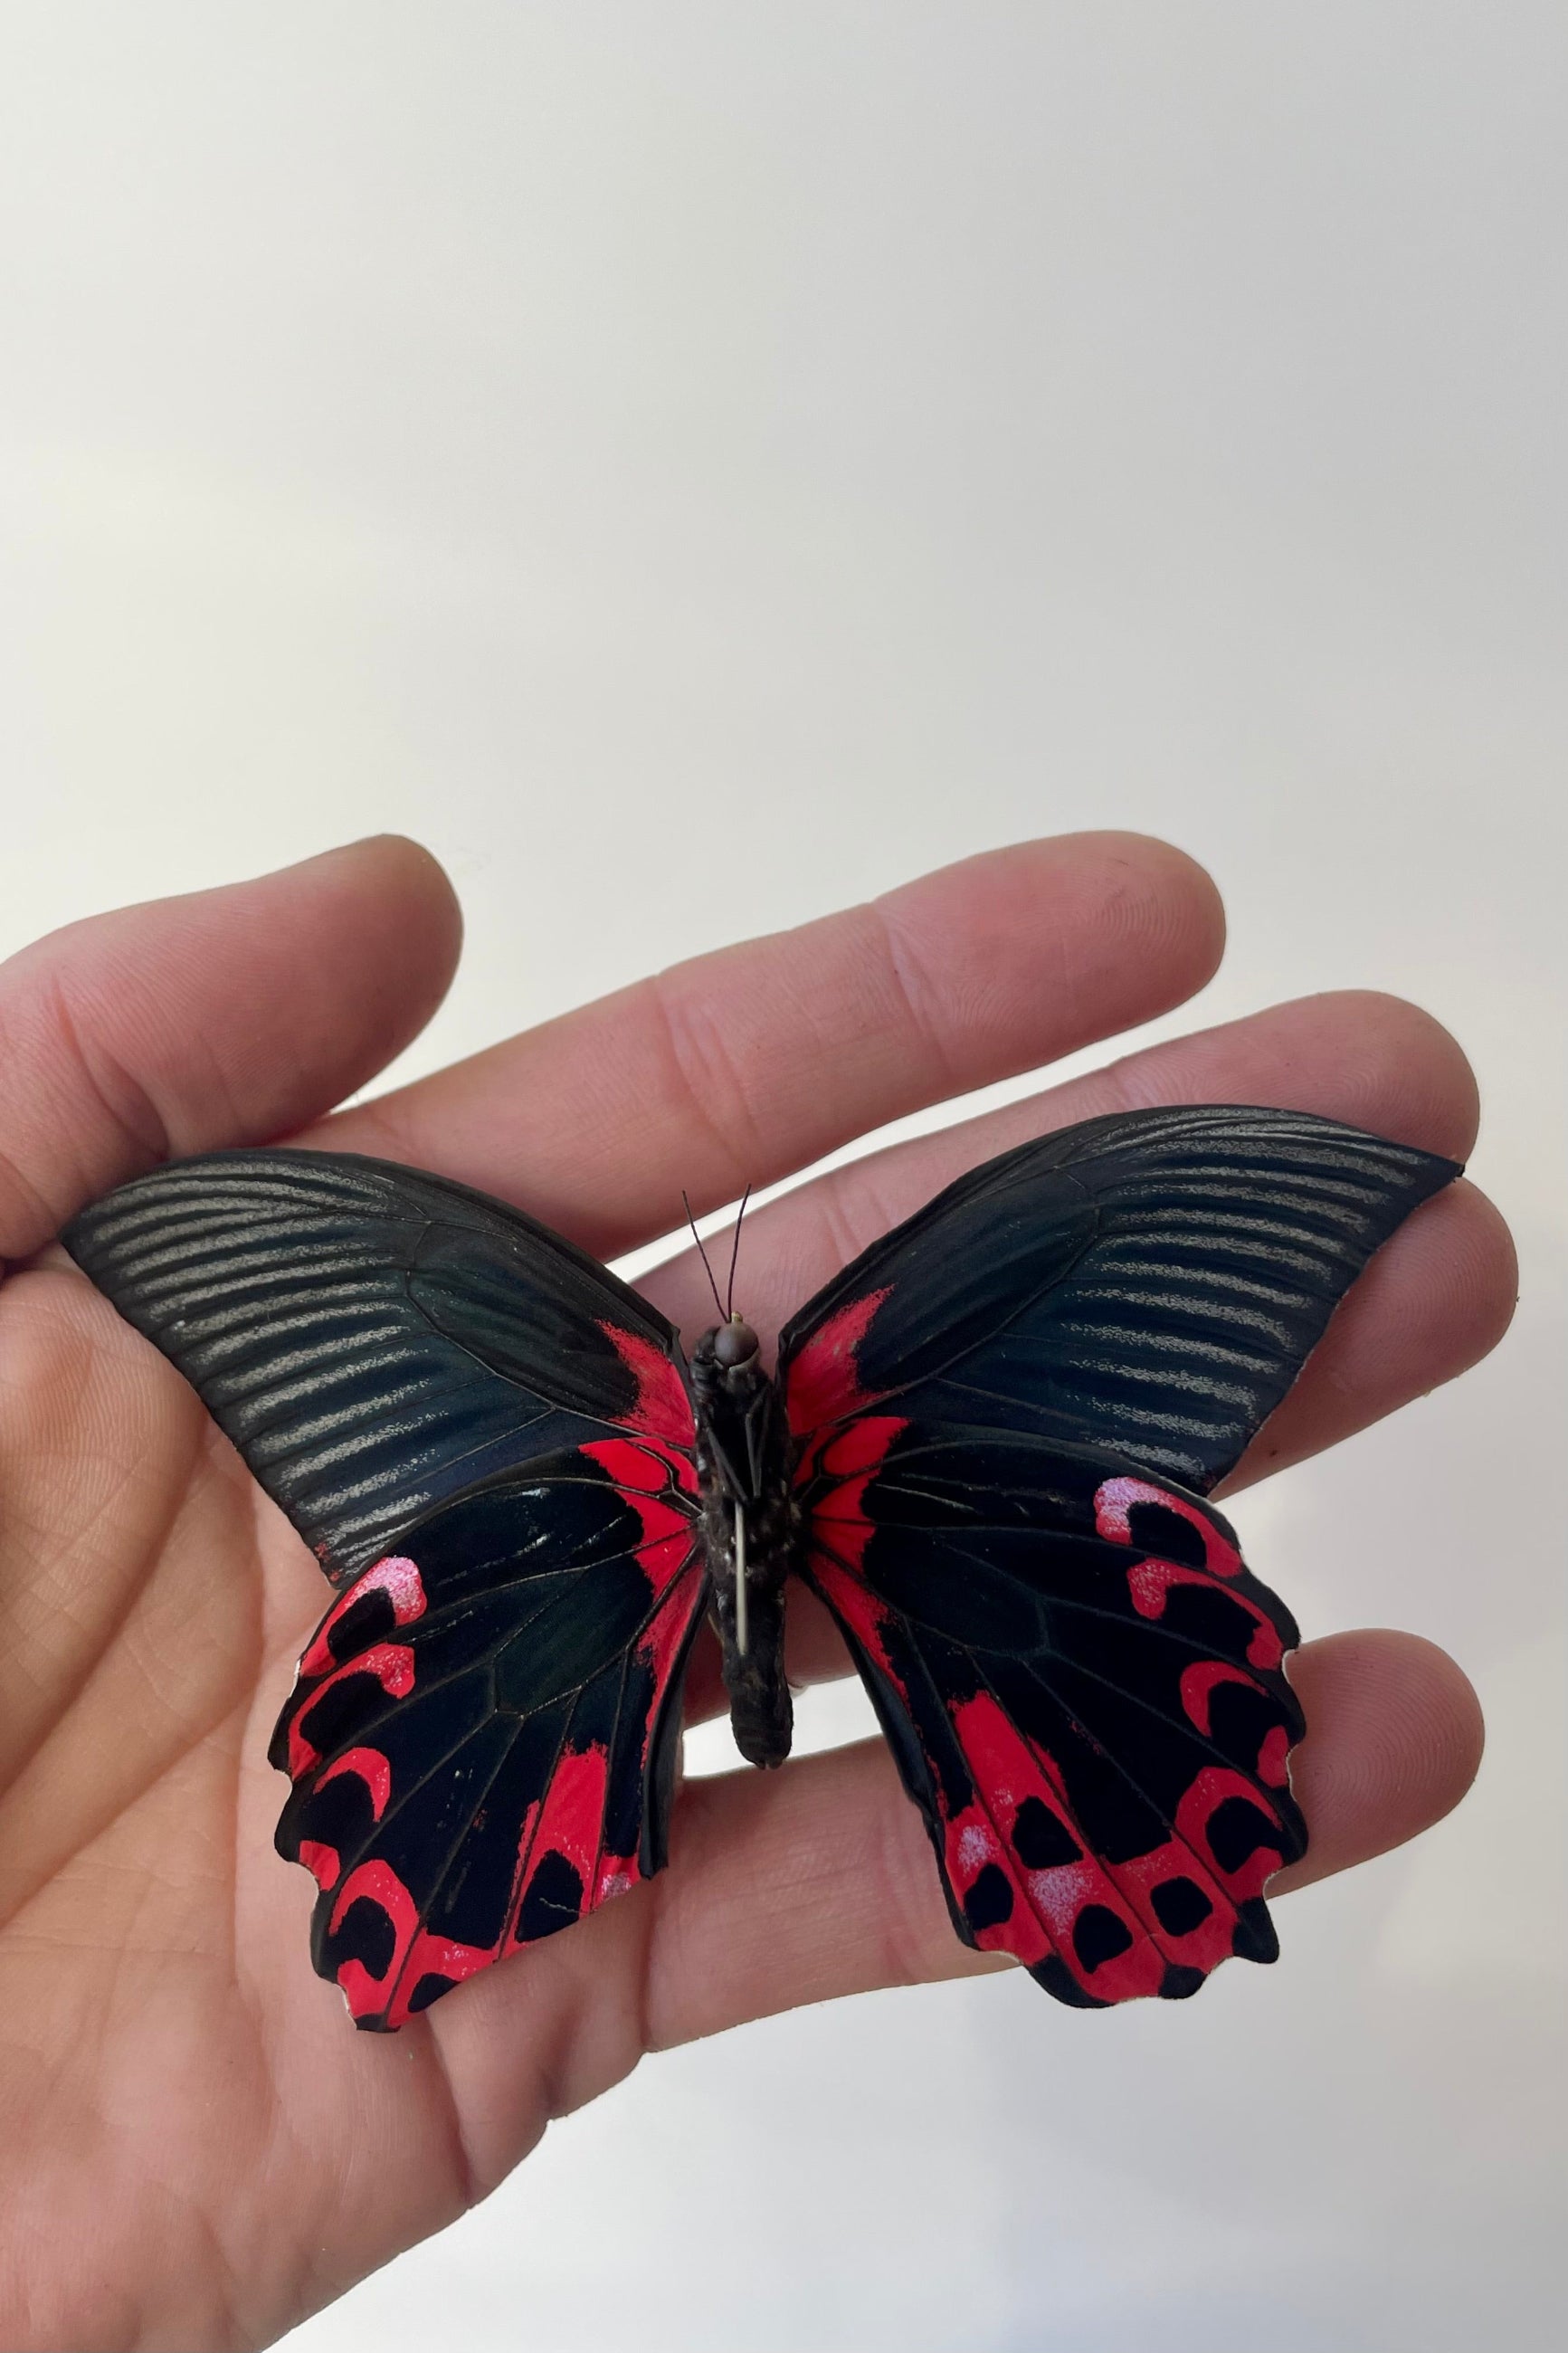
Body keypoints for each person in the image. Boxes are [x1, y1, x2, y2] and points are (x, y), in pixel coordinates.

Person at [0, 831, 1513, 2349]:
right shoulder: (792, 1377)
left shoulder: (631, 1391)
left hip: (631, 1598)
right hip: (875, 1587)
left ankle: (1099, 1859)